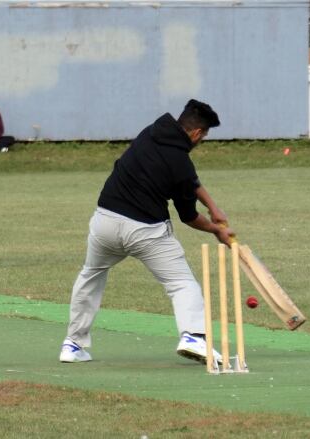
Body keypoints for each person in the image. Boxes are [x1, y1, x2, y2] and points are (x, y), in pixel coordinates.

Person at [59, 99, 233, 365]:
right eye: (204, 137)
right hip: (145, 232)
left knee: (91, 274)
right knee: (181, 283)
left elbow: (190, 180)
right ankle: (195, 336)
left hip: (104, 221)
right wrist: (214, 230)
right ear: (197, 134)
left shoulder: (152, 131)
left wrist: (213, 206)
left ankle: (72, 344)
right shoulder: (181, 163)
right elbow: (188, 216)